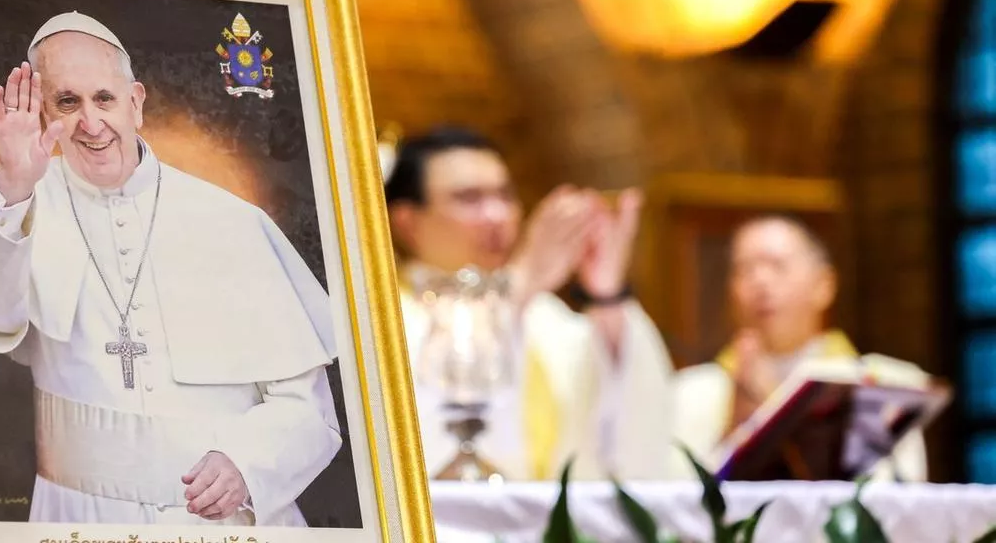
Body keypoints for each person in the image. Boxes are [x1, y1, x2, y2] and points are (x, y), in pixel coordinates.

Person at [0, 11, 342, 526]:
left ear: (136, 103)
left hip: (222, 525)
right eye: (66, 102)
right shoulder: (12, 201)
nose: (91, 124)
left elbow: (308, 408)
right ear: (40, 109)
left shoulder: (230, 221)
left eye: (104, 99)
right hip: (77, 520)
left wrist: (248, 465)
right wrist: (13, 186)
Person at [382, 127, 675, 482]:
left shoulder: (544, 314)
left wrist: (606, 295)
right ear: (407, 222)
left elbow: (624, 401)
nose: (496, 215)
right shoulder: (385, 316)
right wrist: (519, 283)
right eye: (469, 198)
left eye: (505, 196)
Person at [670, 214, 930, 481]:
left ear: (824, 285)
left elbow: (899, 500)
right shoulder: (689, 392)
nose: (760, 282)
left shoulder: (883, 383)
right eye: (744, 269)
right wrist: (735, 431)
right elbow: (670, 503)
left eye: (777, 266)